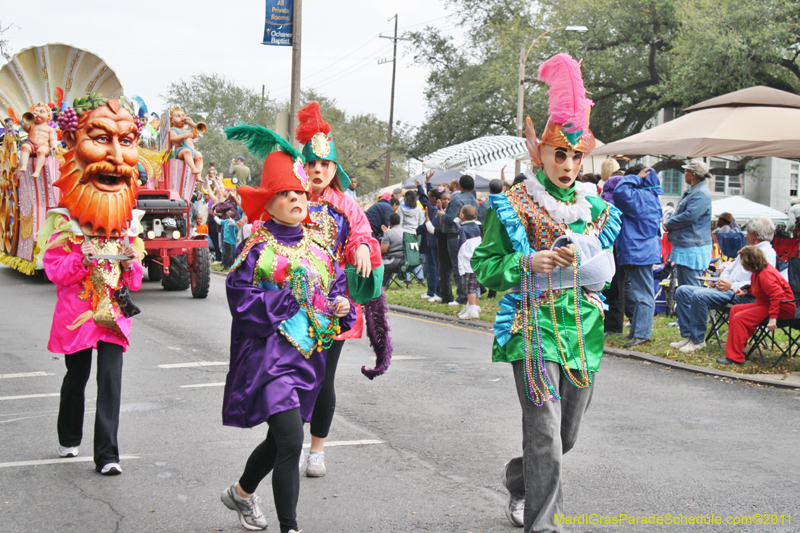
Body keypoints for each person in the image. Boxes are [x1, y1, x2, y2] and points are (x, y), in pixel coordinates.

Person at [472, 53, 620, 532]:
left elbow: (607, 267)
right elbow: (484, 265)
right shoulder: (513, 203)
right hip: (531, 326)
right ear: (540, 153)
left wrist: (594, 267)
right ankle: (543, 524)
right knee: (544, 434)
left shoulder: (596, 208)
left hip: (582, 326)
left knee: (564, 436)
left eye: (577, 155)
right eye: (560, 153)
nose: (569, 164)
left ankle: (521, 481)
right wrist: (526, 261)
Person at [219, 127, 355, 533]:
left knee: (281, 440)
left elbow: (335, 289)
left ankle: (241, 494)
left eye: (299, 193)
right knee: (293, 442)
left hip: (307, 359)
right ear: (270, 204)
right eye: (286, 194)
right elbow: (241, 304)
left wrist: (342, 307)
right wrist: (288, 298)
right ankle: (290, 527)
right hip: (267, 361)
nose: (296, 198)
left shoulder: (318, 246)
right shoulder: (257, 249)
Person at [40, 94, 145, 475]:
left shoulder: (128, 223)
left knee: (111, 381)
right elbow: (54, 270)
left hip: (113, 315)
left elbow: (133, 278)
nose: (115, 155)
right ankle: (69, 436)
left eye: (126, 141)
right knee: (77, 376)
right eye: (101, 139)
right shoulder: (63, 222)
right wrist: (80, 258)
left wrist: (132, 262)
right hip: (77, 316)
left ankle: (108, 455)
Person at [293, 102, 389, 479]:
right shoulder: (291, 198)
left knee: (323, 377)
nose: (318, 171)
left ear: (334, 169)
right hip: (293, 304)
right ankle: (286, 441)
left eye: (325, 165)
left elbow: (361, 236)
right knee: (292, 373)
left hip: (333, 305)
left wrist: (363, 248)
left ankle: (316, 450)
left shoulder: (346, 204)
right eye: (312, 165)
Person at [670, 217, 776, 353]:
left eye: (748, 232)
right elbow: (728, 269)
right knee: (682, 291)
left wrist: (731, 285)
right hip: (727, 290)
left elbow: (761, 283)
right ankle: (689, 335)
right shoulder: (749, 249)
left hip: (742, 295)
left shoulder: (767, 253)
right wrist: (722, 282)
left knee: (699, 295)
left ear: (755, 235)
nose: (745, 235)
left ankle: (697, 340)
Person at [611, 166, 664, 347]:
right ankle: (637, 331)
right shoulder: (651, 197)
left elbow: (620, 192)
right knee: (641, 292)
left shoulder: (638, 196)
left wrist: (633, 177)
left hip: (637, 250)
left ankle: (641, 334)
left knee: (643, 293)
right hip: (644, 250)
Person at [716, 245, 795, 366]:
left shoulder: (766, 274)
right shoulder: (758, 271)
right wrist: (746, 291)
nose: (741, 263)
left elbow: (777, 295)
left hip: (781, 308)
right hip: (767, 304)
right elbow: (760, 288)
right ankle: (737, 347)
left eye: (743, 260)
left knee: (739, 318)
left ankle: (734, 358)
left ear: (750, 262)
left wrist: (773, 318)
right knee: (735, 310)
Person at [664, 161, 712, 287]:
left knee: (690, 288)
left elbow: (690, 216)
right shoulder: (695, 191)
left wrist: (669, 223)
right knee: (684, 289)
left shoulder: (700, 193)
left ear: (693, 175)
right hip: (687, 245)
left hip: (692, 247)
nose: (684, 174)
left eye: (686, 172)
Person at [442, 175, 478, 305]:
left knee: (458, 265)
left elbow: (449, 218)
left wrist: (442, 215)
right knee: (468, 264)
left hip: (454, 233)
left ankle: (462, 295)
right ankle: (469, 293)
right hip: (472, 233)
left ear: (460, 186)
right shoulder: (474, 199)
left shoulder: (457, 200)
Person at [19, 102, 58, 178]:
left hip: (43, 146)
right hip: (31, 145)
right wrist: (29, 119)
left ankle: (37, 171)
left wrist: (54, 146)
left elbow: (52, 139)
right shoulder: (32, 126)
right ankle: (23, 165)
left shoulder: (49, 129)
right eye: (35, 112)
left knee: (41, 151)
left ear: (48, 116)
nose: (38, 114)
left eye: (42, 112)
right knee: (24, 147)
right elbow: (25, 127)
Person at [457, 204, 481, 319]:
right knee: (475, 286)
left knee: (469, 288)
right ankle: (470, 306)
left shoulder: (462, 229)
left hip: (468, 263)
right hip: (477, 261)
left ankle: (472, 310)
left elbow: (462, 248)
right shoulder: (477, 227)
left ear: (462, 215)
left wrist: (460, 265)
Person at [168, 106, 203, 176]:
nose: (181, 118)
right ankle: (193, 168)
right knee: (187, 151)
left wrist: (191, 124)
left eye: (183, 116)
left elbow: (195, 135)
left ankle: (198, 175)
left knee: (199, 155)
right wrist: (184, 136)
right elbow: (173, 138)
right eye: (178, 116)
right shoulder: (173, 129)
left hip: (191, 150)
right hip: (181, 151)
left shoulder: (187, 131)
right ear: (171, 120)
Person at [380, 212, 404, 278]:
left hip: (393, 261)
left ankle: (382, 283)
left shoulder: (389, 232)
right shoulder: (405, 231)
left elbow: (383, 251)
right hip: (404, 261)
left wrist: (386, 233)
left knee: (374, 262)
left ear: (389, 222)